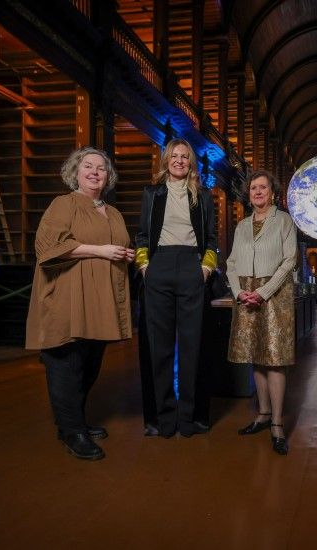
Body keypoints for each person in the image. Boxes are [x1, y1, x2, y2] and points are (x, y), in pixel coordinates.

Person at [25, 146, 134, 461]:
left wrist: (122, 254)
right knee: (66, 365)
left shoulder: (112, 212)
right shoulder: (65, 204)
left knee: (90, 365)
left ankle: (73, 421)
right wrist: (101, 251)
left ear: (107, 176)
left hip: (100, 302)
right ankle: (72, 431)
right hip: (68, 298)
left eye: (101, 168)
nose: (95, 172)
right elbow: (47, 248)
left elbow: (117, 246)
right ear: (76, 171)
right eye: (88, 166)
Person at [134, 138, 217, 438]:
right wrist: (145, 268)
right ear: (166, 160)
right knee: (159, 346)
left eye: (185, 157)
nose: (179, 161)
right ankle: (161, 419)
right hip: (159, 267)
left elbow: (212, 240)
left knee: (193, 345)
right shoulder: (151, 193)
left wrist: (205, 270)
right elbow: (142, 236)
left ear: (190, 163)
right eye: (174, 156)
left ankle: (190, 418)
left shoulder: (203, 196)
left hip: (192, 268)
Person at [226, 170, 297, 455]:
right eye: (253, 188)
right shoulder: (242, 225)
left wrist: (263, 292)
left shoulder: (284, 221)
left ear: (272, 192)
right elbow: (231, 262)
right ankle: (263, 414)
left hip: (274, 295)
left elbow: (290, 260)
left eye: (263, 187)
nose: (257, 192)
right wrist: (238, 292)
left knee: (275, 358)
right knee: (256, 355)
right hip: (245, 293)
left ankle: (278, 424)